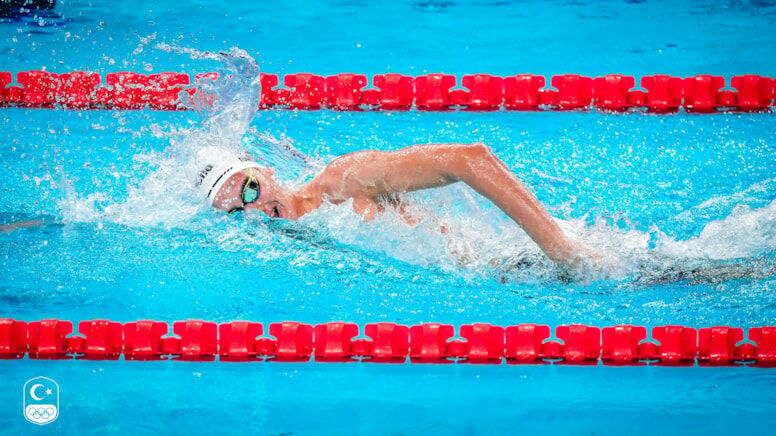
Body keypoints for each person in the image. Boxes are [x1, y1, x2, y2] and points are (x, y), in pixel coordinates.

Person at [196, 142, 601, 270]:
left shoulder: (341, 180)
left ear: (265, 171)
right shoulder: (290, 244)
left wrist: (562, 251)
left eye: (249, 190)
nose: (254, 210)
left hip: (530, 264)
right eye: (236, 211)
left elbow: (469, 158)